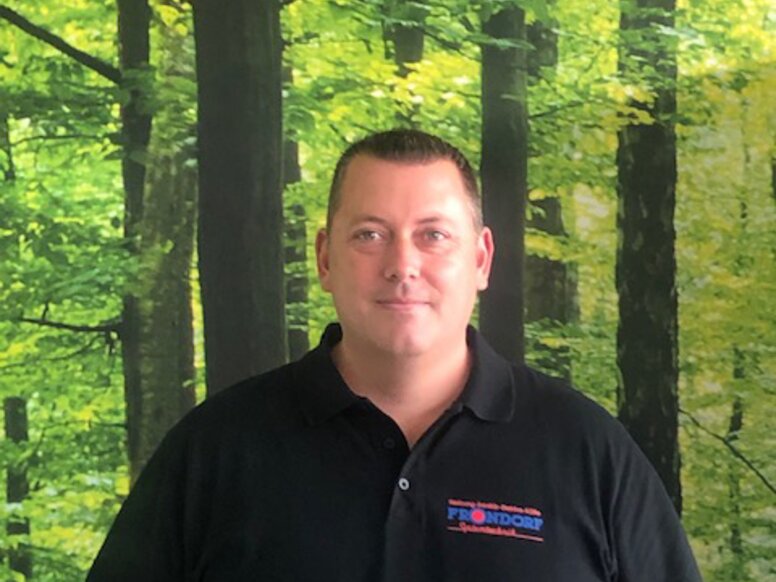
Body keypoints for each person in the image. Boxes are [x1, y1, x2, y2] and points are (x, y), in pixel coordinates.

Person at [87, 129, 702, 581]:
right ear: (325, 258)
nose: (402, 264)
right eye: (370, 234)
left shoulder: (587, 452)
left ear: (481, 260)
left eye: (433, 235)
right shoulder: (215, 451)